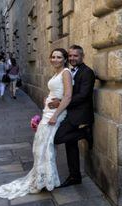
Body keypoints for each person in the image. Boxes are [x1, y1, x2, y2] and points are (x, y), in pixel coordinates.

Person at [0, 48, 73, 199]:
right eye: (53, 57)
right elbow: (56, 92)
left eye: (59, 57)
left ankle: (46, 180)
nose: (55, 59)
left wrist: (55, 115)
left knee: (45, 146)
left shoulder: (66, 73)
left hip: (55, 114)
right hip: (48, 112)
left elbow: (68, 96)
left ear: (64, 59)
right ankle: (42, 178)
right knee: (39, 146)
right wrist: (47, 99)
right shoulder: (57, 73)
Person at [48, 45, 95, 188]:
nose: (72, 58)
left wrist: (60, 103)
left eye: (76, 56)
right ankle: (75, 176)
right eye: (70, 56)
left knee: (56, 138)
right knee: (70, 145)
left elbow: (83, 95)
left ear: (82, 56)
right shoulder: (67, 71)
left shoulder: (87, 72)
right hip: (68, 112)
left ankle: (83, 133)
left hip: (80, 114)